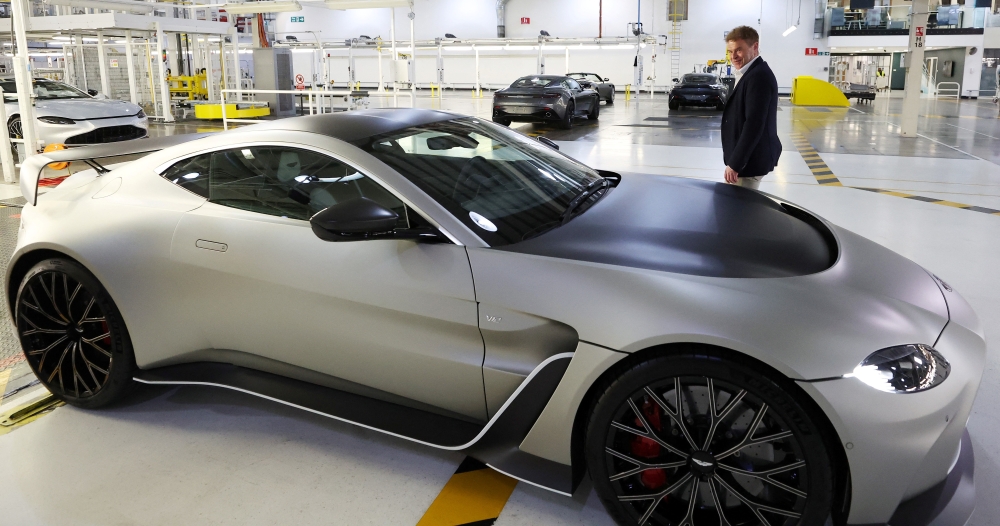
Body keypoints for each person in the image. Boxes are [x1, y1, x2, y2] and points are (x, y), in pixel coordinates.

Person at [721, 26, 781, 191]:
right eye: (730, 51)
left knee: (737, 211)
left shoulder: (758, 77)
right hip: (747, 161)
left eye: (739, 50)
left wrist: (735, 163)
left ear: (755, 47)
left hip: (748, 164)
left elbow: (754, 124)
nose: (733, 56)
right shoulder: (750, 73)